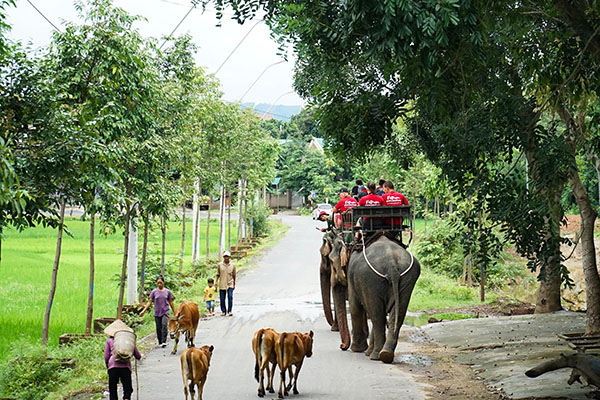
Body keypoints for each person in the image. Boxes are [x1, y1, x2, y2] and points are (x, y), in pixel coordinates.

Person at [104, 320, 142, 400]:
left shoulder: (109, 340)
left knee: (113, 389)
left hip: (112, 367)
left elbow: (106, 356)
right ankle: (126, 398)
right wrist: (138, 357)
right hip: (125, 367)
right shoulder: (128, 340)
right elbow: (138, 355)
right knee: (127, 389)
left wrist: (108, 366)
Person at [140, 275, 175, 348]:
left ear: (163, 283)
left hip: (165, 312)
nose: (159, 284)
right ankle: (160, 341)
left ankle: (164, 341)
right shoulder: (154, 292)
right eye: (158, 283)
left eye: (161, 283)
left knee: (164, 325)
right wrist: (143, 311)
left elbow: (171, 302)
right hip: (157, 312)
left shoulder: (167, 292)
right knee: (158, 328)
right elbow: (149, 302)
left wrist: (175, 312)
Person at [216, 250, 236, 316]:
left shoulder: (233, 265)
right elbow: (218, 274)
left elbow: (234, 275)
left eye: (227, 256)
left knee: (230, 296)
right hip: (222, 283)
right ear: (223, 257)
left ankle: (230, 311)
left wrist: (234, 283)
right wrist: (216, 282)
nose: (226, 258)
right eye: (225, 256)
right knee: (222, 298)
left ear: (230, 257)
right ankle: (223, 311)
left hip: (230, 283)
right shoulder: (220, 265)